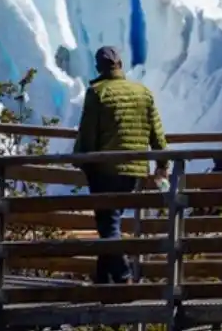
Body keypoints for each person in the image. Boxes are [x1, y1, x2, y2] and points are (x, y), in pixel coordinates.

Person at [73, 46, 169, 284]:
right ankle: (103, 282)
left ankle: (124, 274)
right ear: (121, 64)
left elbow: (87, 135)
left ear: (99, 67)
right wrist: (162, 165)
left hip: (105, 170)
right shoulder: (143, 92)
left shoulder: (97, 93)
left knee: (108, 224)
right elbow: (157, 135)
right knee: (109, 223)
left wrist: (80, 161)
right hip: (135, 171)